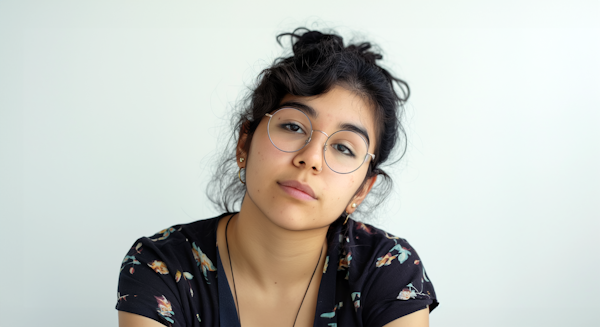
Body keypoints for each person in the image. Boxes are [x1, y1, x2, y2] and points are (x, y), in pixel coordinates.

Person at [116, 28, 438, 327]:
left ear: (362, 191)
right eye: (293, 127)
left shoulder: (387, 270)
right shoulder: (162, 268)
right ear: (245, 142)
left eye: (343, 147)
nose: (310, 158)